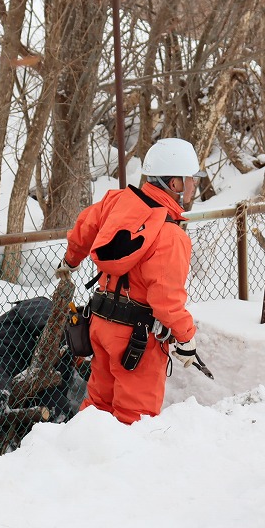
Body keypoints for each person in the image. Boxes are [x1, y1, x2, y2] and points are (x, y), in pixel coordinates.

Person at [56, 138, 201, 424]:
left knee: (97, 407)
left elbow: (84, 228)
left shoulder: (116, 201)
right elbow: (165, 301)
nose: (194, 185)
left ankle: (81, 460)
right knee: (134, 419)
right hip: (137, 340)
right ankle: (122, 467)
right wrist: (186, 338)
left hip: (100, 326)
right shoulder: (171, 235)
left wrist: (71, 261)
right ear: (175, 184)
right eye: (191, 179)